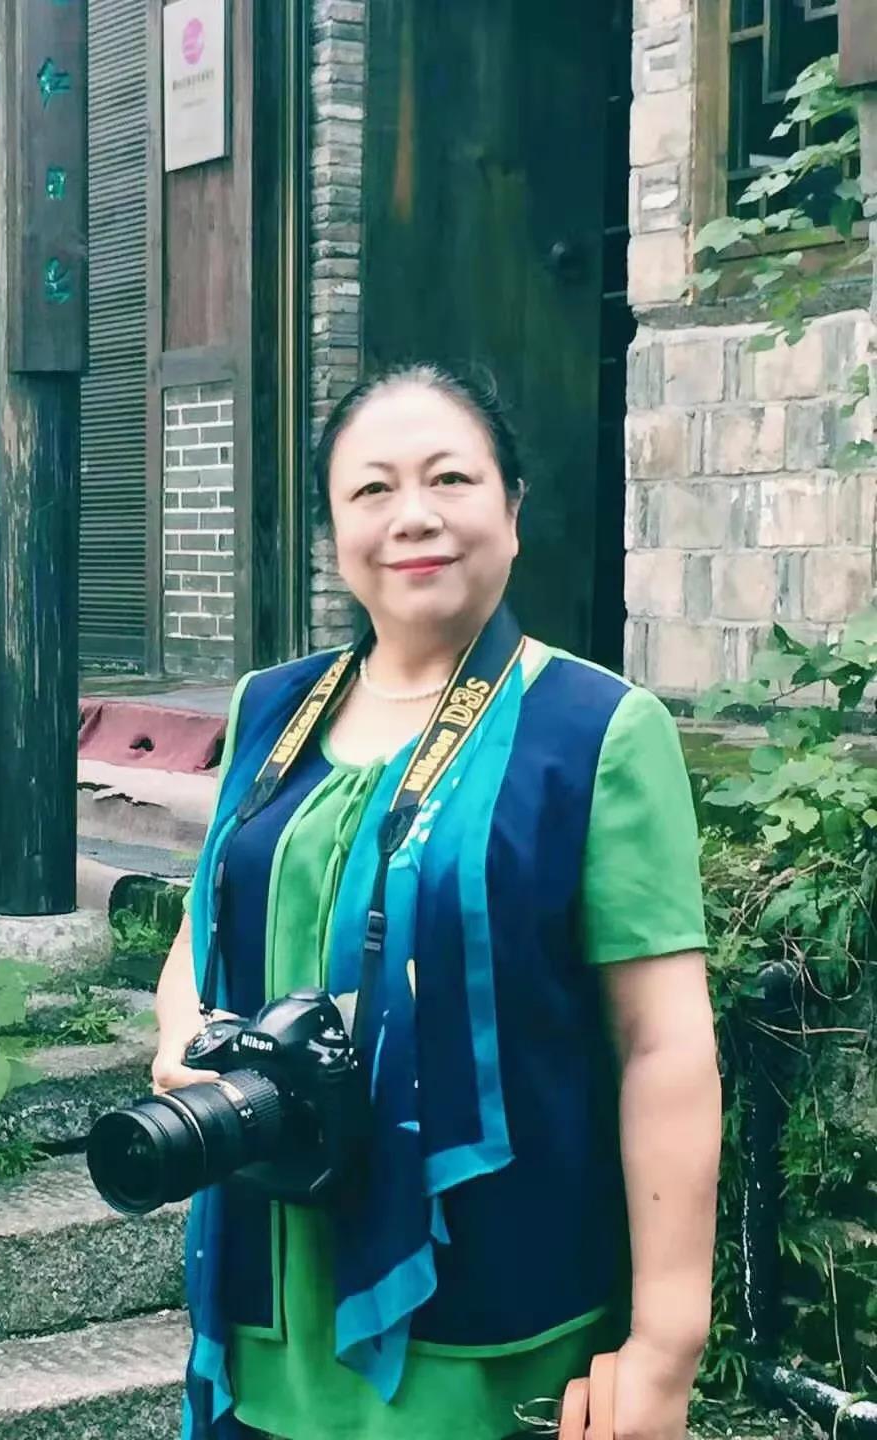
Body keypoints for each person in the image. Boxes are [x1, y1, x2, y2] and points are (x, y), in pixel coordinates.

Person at [153, 363, 722, 1440]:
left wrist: (665, 1345)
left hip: (493, 1309)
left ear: (512, 507)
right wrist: (183, 1035)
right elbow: (206, 916)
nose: (412, 516)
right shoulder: (270, 708)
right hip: (266, 1285)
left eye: (450, 478)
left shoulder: (592, 729)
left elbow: (664, 1043)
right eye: (372, 489)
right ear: (335, 530)